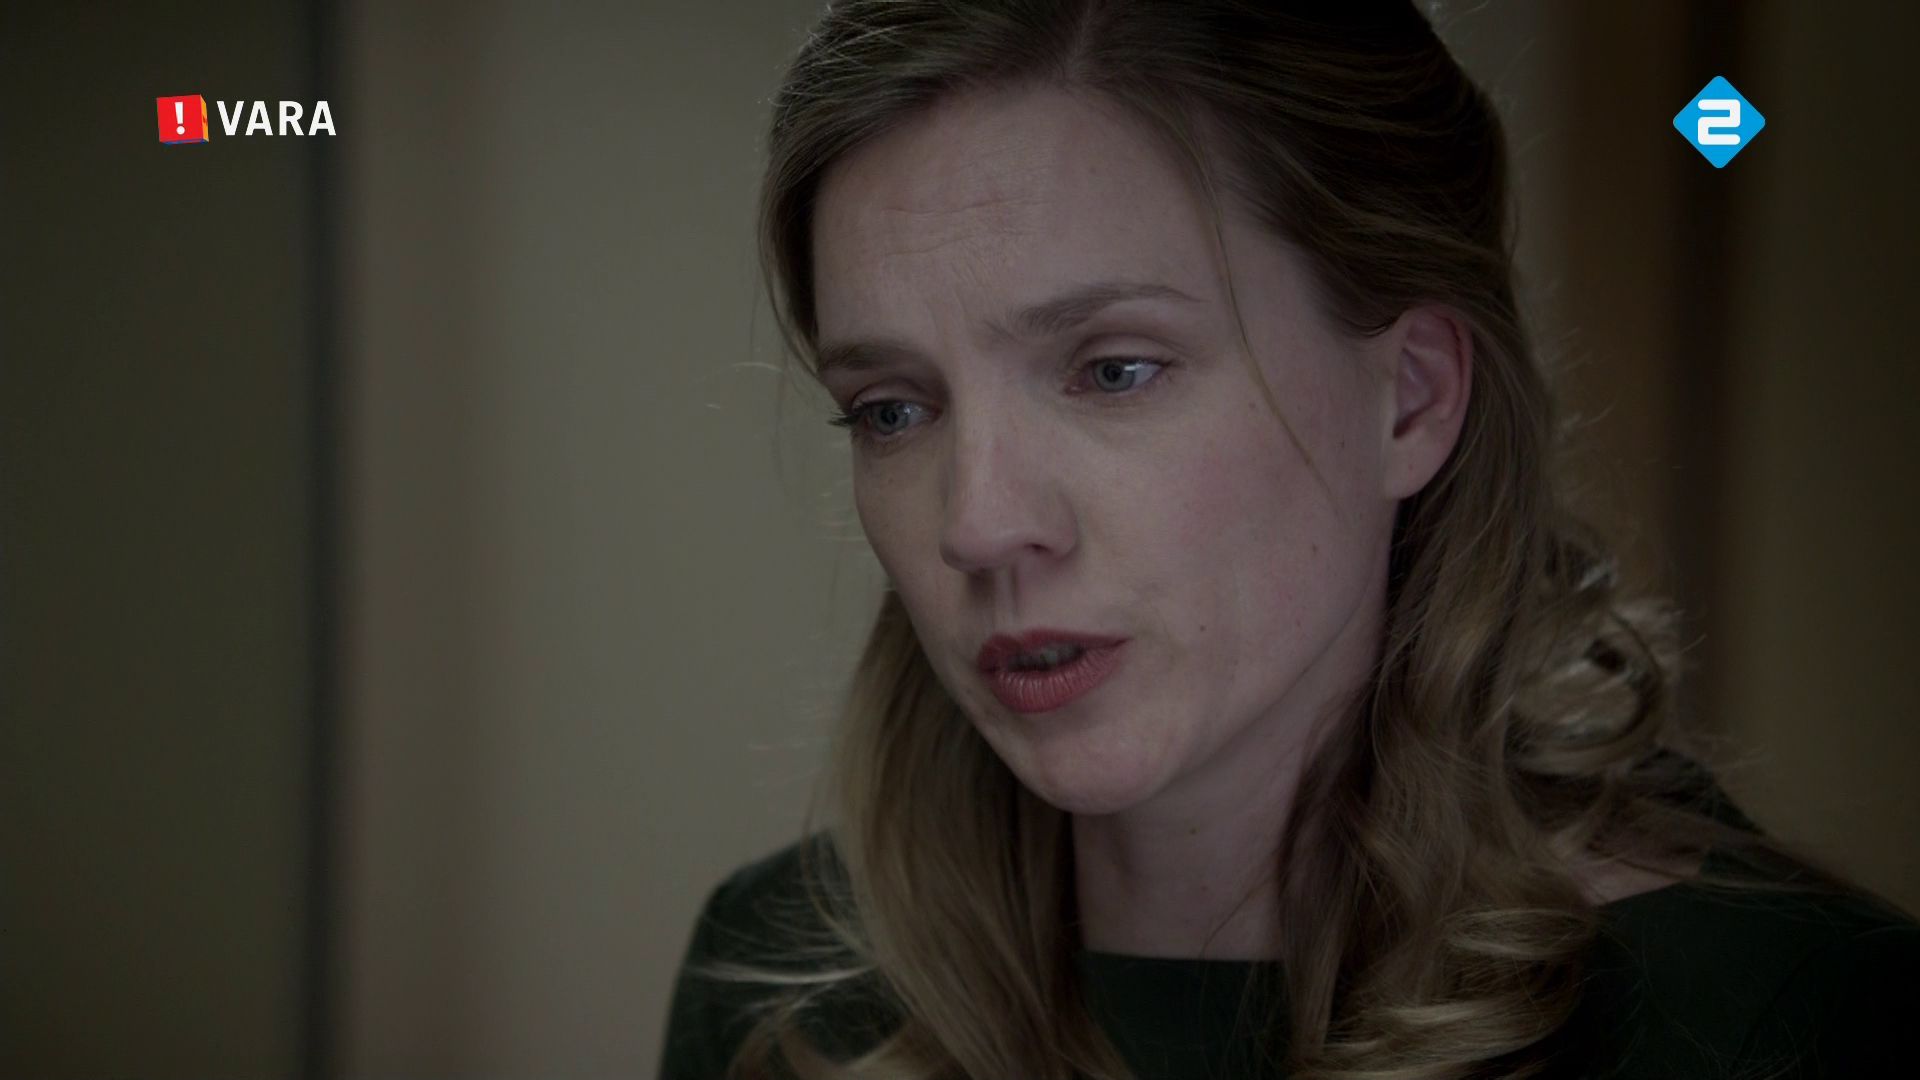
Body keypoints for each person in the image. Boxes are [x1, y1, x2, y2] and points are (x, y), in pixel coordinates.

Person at [659, 2, 1920, 1077]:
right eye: (892, 409)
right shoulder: (785, 997)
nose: (978, 525)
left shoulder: (1783, 1020)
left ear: (1410, 400)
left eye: (1114, 369)